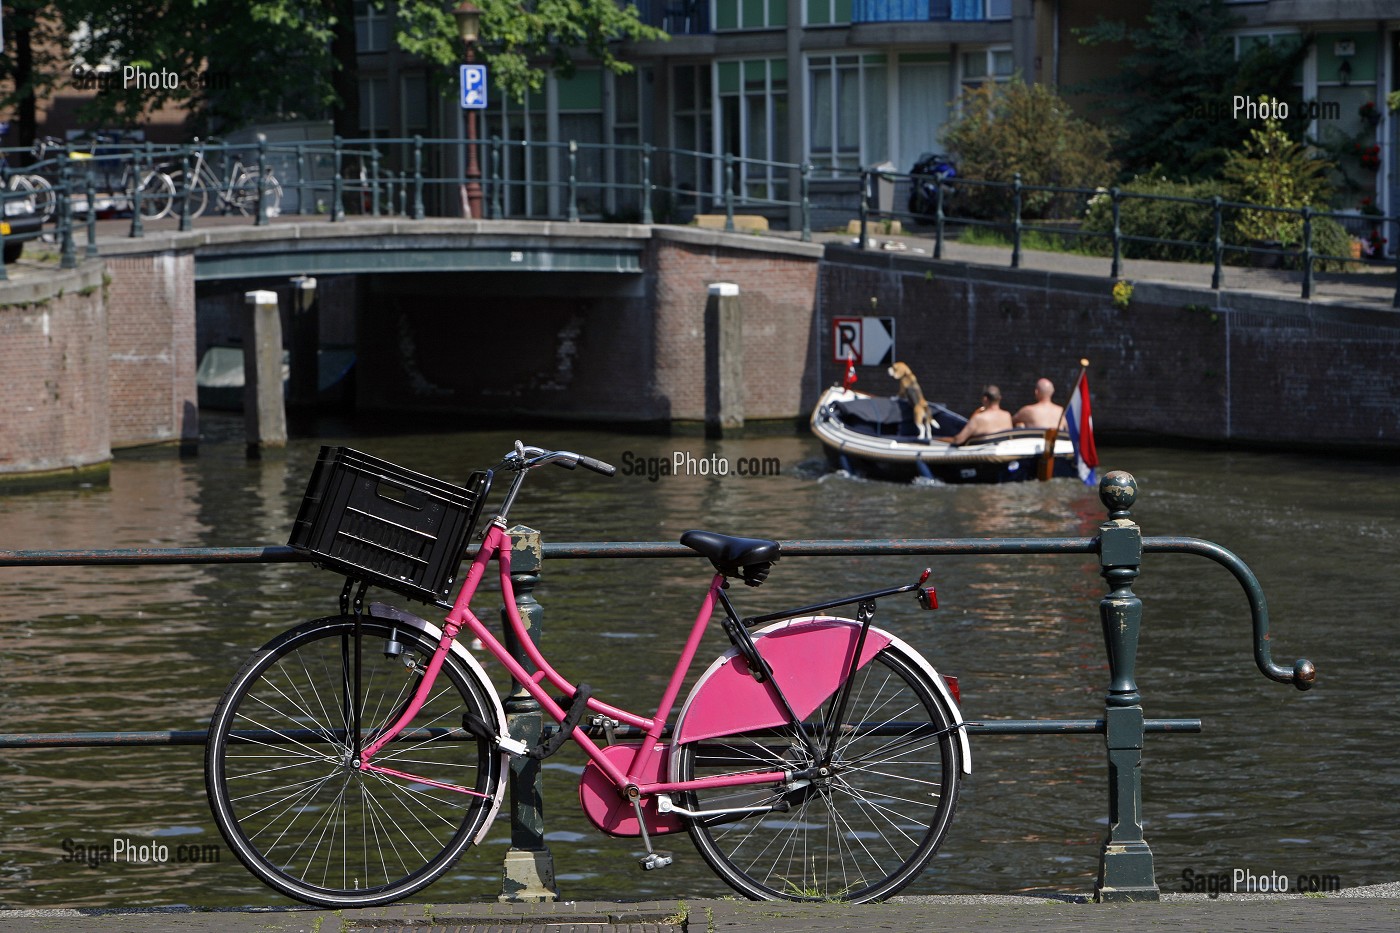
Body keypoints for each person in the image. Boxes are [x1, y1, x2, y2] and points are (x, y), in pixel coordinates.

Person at [950, 384, 1014, 445]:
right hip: (1003, 450)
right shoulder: (1007, 415)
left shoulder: (978, 418)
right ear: (1000, 398)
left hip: (982, 451)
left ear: (985, 399)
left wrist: (944, 439)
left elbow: (959, 440)